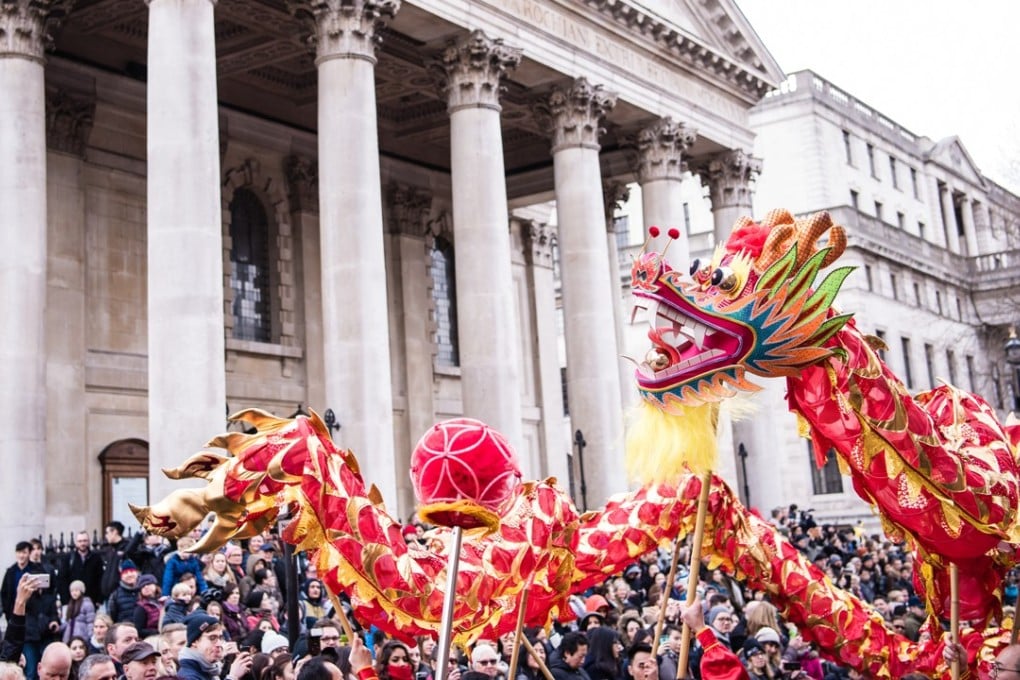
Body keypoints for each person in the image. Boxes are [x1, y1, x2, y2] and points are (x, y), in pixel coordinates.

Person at [680, 597, 748, 680]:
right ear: (712, 621)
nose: (726, 622)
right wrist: (700, 628)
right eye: (721, 619)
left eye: (728, 619)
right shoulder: (704, 644)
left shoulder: (729, 639)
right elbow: (722, 671)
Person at [178, 611, 252, 680]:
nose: (219, 644)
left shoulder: (208, 668)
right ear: (194, 641)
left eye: (220, 637)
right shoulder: (188, 676)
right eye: (212, 638)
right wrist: (232, 677)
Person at [60, 533, 104, 605]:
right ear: (76, 543)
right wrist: (65, 600)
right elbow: (62, 579)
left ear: (88, 542)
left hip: (91, 600)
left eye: (84, 541)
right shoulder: (68, 558)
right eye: (80, 541)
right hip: (72, 601)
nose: (82, 543)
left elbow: (100, 579)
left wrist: (99, 600)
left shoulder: (96, 558)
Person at [62, 580, 96, 644]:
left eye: (76, 590)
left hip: (82, 634)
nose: (74, 593)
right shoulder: (70, 604)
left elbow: (91, 621)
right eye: (72, 591)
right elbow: (67, 621)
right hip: (70, 634)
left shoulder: (87, 604)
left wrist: (90, 635)